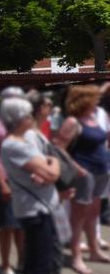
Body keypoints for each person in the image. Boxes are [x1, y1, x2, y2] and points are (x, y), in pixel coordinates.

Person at [0, 97, 62, 274]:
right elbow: (51, 174)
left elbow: (45, 172)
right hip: (36, 210)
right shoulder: (15, 145)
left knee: (36, 260)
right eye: (27, 114)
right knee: (41, 263)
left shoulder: (20, 142)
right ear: (19, 118)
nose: (31, 117)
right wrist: (55, 160)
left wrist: (49, 164)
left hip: (39, 208)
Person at [55, 85, 110, 274]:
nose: (98, 101)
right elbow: (58, 148)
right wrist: (77, 168)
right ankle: (76, 257)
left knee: (93, 214)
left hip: (101, 172)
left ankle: (94, 251)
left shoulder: (93, 117)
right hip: (84, 175)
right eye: (95, 98)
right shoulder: (73, 121)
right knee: (78, 218)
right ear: (85, 100)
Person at [0, 87, 25, 274]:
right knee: (7, 226)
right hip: (4, 182)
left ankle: (23, 263)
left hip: (21, 181)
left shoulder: (21, 125)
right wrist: (2, 184)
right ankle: (5, 265)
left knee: (22, 226)